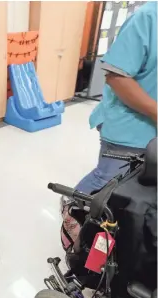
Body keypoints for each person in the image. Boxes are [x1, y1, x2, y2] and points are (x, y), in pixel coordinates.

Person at [61, 2, 157, 249]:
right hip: (129, 129)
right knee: (108, 181)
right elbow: (117, 77)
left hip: (152, 133)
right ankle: (72, 209)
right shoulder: (148, 18)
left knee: (137, 196)